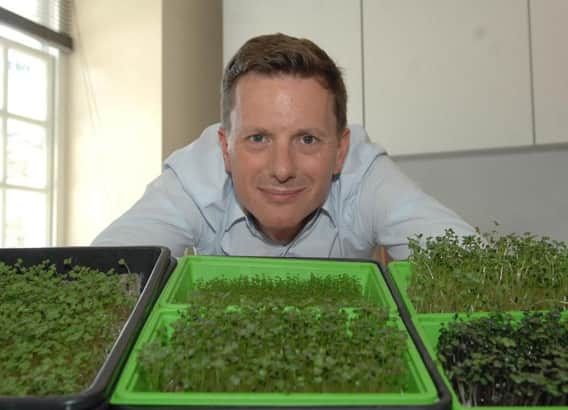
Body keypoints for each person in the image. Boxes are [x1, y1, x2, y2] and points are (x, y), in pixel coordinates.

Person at [93, 33, 475, 260]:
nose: (281, 169)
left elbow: (477, 267)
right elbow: (104, 275)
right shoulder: (192, 180)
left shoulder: (366, 175)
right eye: (258, 138)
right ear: (225, 148)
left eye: (307, 139)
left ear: (341, 151)